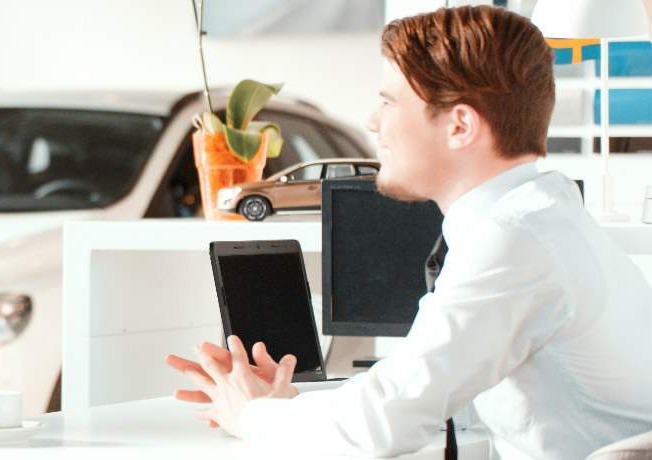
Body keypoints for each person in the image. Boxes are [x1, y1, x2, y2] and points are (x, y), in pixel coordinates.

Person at [164, 6, 652, 459]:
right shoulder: (542, 214)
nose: (373, 122)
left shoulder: (514, 239)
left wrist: (250, 415)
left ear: (460, 126)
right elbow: (434, 389)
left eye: (388, 102)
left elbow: (386, 422)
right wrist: (289, 405)